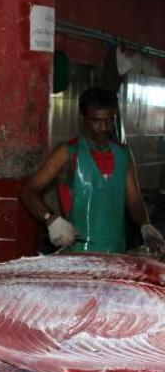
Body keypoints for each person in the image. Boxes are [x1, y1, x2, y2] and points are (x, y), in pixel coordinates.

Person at [20, 86, 165, 254]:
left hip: (117, 252)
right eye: (96, 121)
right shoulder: (67, 152)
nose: (104, 128)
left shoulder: (123, 153)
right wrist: (50, 219)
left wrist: (146, 225)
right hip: (77, 253)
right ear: (84, 119)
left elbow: (134, 201)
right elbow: (28, 191)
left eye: (109, 120)